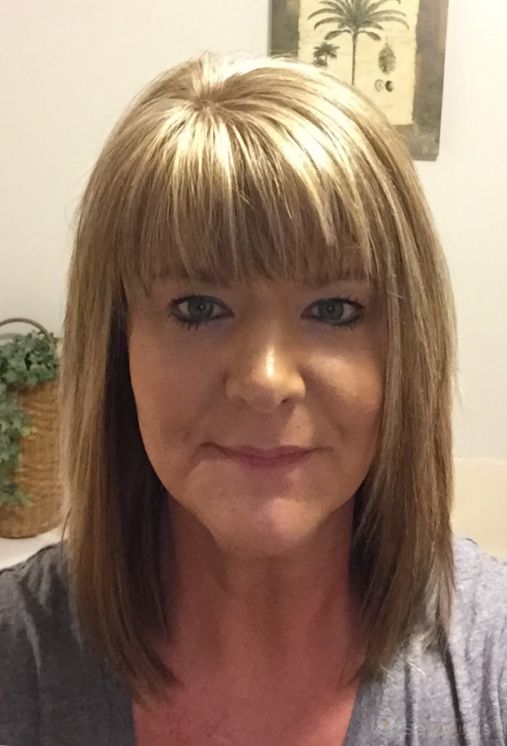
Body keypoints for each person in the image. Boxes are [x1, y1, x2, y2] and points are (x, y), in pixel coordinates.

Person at [1, 51, 506, 746]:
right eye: (199, 307)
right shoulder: (17, 661)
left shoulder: (488, 667)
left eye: (333, 309)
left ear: (405, 351)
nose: (266, 380)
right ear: (118, 347)